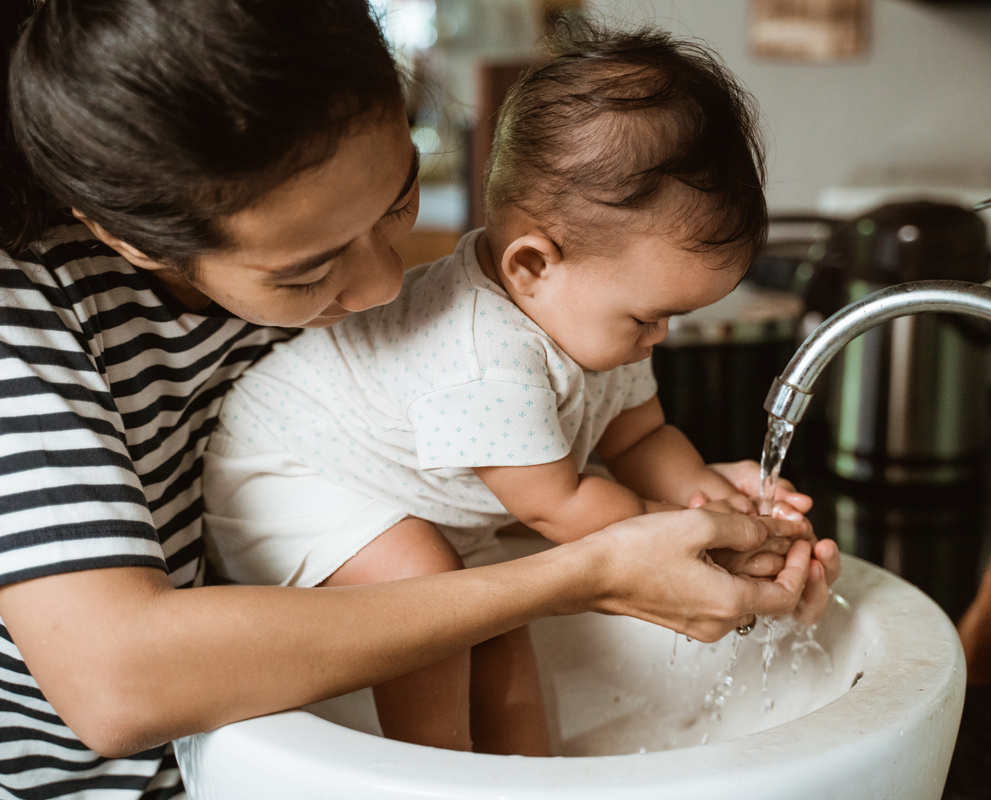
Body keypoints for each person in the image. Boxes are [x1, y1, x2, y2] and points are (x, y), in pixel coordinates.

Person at [0, 1, 839, 797]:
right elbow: (117, 688)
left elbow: (559, 459)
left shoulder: (537, 315)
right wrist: (604, 558)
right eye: (307, 270)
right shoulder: (28, 322)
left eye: (399, 199)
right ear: (131, 239)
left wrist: (700, 508)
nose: (383, 287)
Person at [202, 19, 836, 755]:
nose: (659, 336)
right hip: (289, 478)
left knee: (496, 620)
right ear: (533, 266)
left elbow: (641, 435)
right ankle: (437, 771)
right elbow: (559, 507)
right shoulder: (483, 354)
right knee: (427, 588)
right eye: (650, 315)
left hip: (401, 490)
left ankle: (530, 771)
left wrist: (709, 497)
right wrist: (686, 531)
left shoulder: (595, 315)